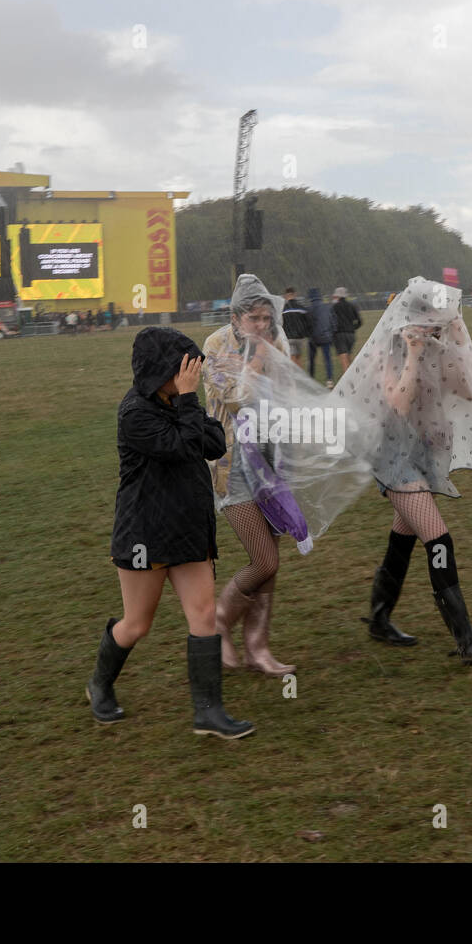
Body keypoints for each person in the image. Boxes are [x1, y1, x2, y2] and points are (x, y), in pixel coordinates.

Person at [333, 277, 472, 664]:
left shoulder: (438, 345)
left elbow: (468, 390)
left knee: (404, 535)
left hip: (426, 454)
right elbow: (399, 405)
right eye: (435, 317)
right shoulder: (389, 349)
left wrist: (458, 338)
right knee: (438, 541)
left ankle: (379, 617)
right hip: (394, 458)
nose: (435, 325)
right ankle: (466, 638)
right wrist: (415, 356)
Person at [87, 326, 254, 739]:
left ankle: (209, 713)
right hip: (145, 531)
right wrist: (188, 400)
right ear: (162, 370)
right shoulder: (135, 413)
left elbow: (213, 443)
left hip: (188, 527)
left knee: (203, 618)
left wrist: (186, 403)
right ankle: (99, 684)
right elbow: (183, 446)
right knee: (136, 625)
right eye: (184, 367)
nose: (191, 373)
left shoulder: (179, 402)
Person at [202, 274, 298, 675]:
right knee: (264, 560)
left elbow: (288, 396)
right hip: (230, 464)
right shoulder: (216, 345)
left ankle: (258, 648)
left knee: (271, 555)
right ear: (237, 316)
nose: (262, 325)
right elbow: (238, 398)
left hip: (269, 459)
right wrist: (259, 355)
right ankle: (220, 620)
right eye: (255, 318)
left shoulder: (279, 340)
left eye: (266, 318)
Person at [331, 287, 363, 374]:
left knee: (343, 359)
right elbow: (360, 321)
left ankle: (347, 381)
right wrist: (352, 328)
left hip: (340, 335)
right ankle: (352, 376)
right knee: (349, 357)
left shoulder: (334, 307)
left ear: (337, 296)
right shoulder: (352, 306)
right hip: (351, 335)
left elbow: (332, 321)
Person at [307, 287, 335, 387]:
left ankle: (311, 379)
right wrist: (332, 332)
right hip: (326, 336)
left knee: (311, 360)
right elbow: (332, 321)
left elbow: (308, 324)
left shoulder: (309, 309)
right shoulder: (327, 307)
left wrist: (309, 334)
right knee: (327, 359)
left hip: (313, 338)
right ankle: (329, 380)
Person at [281, 287, 311, 368]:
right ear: (295, 294)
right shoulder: (301, 307)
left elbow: (281, 323)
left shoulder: (283, 309)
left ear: (285, 296)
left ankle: (294, 377)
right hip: (300, 337)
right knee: (298, 357)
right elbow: (308, 321)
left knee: (292, 357)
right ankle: (299, 375)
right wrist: (306, 333)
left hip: (289, 337)